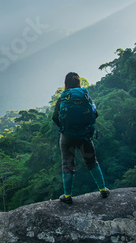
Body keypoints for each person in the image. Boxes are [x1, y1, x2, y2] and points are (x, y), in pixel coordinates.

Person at [52, 72, 109, 204]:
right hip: (84, 135)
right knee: (92, 161)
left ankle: (67, 196)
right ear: (78, 83)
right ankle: (103, 190)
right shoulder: (85, 96)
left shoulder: (63, 97)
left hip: (67, 136)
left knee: (67, 164)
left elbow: (54, 117)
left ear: (66, 83)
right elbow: (95, 113)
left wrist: (64, 128)